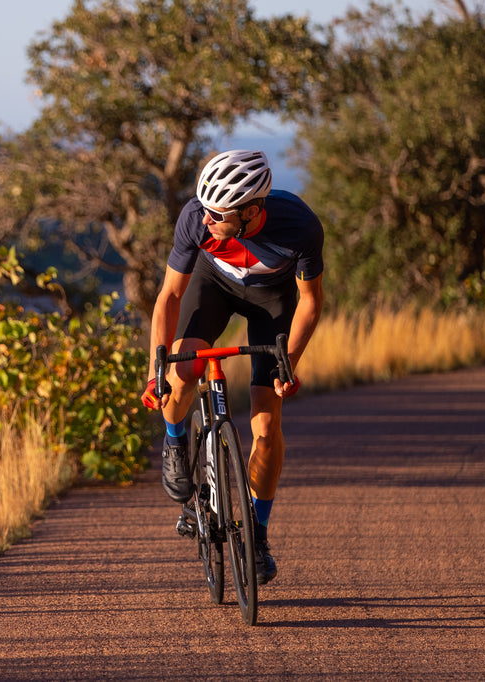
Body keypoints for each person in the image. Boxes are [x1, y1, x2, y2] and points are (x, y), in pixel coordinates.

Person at [140, 149, 324, 584]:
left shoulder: (299, 226)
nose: (206, 220)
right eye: (204, 210)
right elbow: (168, 296)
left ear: (251, 211)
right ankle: (174, 440)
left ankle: (257, 534)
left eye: (217, 215)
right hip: (212, 285)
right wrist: (155, 371)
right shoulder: (194, 218)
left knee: (266, 425)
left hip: (271, 300)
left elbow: (311, 304)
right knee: (181, 372)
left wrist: (288, 365)